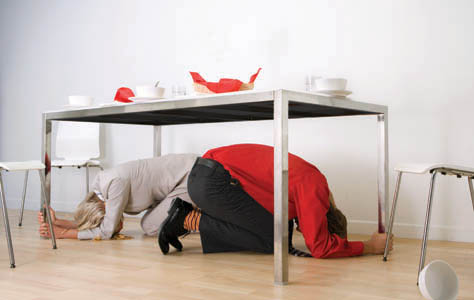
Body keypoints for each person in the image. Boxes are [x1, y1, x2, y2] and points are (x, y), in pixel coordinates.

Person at [158, 144, 394, 258]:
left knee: (273, 235)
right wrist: (369, 247)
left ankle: (189, 218)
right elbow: (320, 248)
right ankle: (188, 219)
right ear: (323, 216)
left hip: (203, 175)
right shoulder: (315, 186)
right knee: (274, 240)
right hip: (213, 181)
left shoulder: (305, 180)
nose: (302, 228)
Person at [38, 153, 199, 241]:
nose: (117, 226)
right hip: (182, 179)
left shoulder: (114, 185)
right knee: (149, 223)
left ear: (105, 209)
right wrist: (58, 222)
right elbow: (101, 224)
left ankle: (206, 224)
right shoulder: (102, 190)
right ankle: (198, 215)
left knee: (150, 226)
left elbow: (106, 231)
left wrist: (63, 233)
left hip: (190, 176)